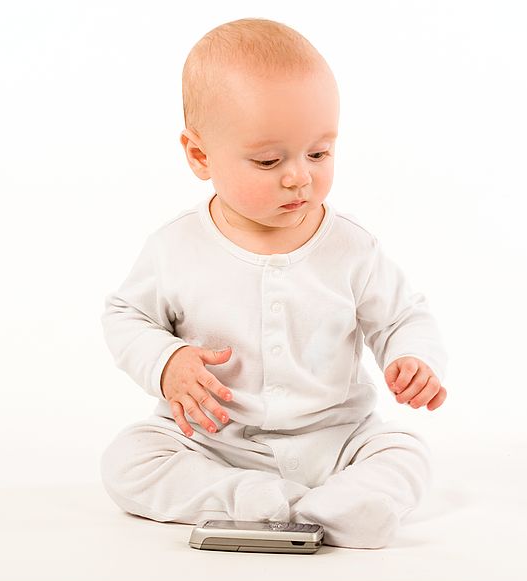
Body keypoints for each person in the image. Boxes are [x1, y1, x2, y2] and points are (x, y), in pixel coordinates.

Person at [100, 18, 448, 549]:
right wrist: (167, 362)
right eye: (269, 160)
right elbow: (126, 317)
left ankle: (346, 501)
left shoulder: (351, 247)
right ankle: (251, 499)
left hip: (335, 439)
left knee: (404, 452)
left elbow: (403, 315)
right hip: (216, 440)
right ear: (200, 155)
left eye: (319, 152)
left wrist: (413, 358)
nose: (299, 177)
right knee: (128, 461)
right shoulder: (176, 247)